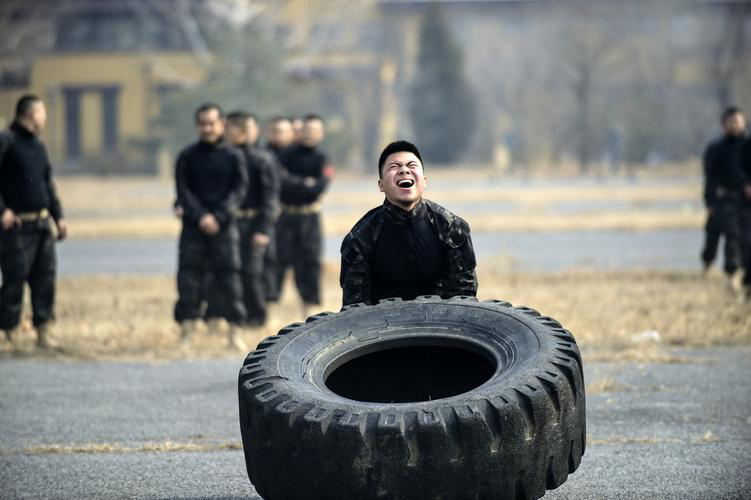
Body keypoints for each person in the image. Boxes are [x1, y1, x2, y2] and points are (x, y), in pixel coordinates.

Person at [340, 140, 477, 306]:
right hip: (381, 321)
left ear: (424, 181)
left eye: (412, 165)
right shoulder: (360, 238)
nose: (404, 170)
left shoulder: (452, 229)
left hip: (440, 319)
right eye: (394, 166)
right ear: (381, 185)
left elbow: (464, 300)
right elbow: (355, 308)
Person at [173, 103, 248, 348]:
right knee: (188, 276)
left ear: (222, 124)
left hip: (225, 227)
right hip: (193, 227)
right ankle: (187, 333)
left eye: (212, 123)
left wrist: (219, 216)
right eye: (202, 124)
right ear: (197, 126)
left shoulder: (235, 156)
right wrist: (201, 217)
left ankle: (234, 333)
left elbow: (239, 191)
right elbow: (183, 192)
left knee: (230, 277)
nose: (207, 128)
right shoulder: (186, 156)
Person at [0, 95, 67, 348]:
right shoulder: (6, 141)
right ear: (30, 114)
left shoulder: (38, 146)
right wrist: (2, 211)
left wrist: (59, 217)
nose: (45, 117)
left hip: (41, 224)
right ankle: (9, 331)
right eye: (42, 112)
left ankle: (44, 330)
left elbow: (47, 184)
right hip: (16, 226)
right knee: (15, 278)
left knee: (45, 278)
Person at [221, 111, 280, 325]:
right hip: (227, 222)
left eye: (229, 128)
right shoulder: (223, 157)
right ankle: (230, 316)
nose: (224, 132)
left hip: (253, 221)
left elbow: (271, 198)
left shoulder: (262, 159)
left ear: (243, 131)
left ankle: (256, 317)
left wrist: (263, 229)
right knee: (226, 270)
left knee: (252, 271)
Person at [275, 114, 333, 317]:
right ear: (299, 131)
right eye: (307, 130)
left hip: (310, 218)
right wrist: (304, 183)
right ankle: (271, 313)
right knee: (277, 262)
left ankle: (310, 312)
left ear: (321, 134)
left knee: (310, 263)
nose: (310, 134)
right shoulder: (285, 155)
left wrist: (294, 181)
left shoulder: (322, 158)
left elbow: (320, 187)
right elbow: (279, 181)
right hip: (286, 217)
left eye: (315, 131)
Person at [701, 106, 747, 292]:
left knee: (740, 238)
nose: (734, 125)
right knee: (716, 236)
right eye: (730, 122)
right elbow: (710, 177)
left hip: (745, 201)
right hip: (724, 200)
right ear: (723, 125)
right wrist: (709, 201)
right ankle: (710, 266)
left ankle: (735, 274)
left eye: (737, 121)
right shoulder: (716, 149)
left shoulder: (748, 147)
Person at [263, 116, 295, 310]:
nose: (278, 135)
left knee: (303, 263)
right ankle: (271, 303)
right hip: (269, 217)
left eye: (282, 131)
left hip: (296, 216)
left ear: (291, 133)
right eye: (274, 131)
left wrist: (289, 180)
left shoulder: (298, 154)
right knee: (272, 261)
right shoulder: (263, 154)